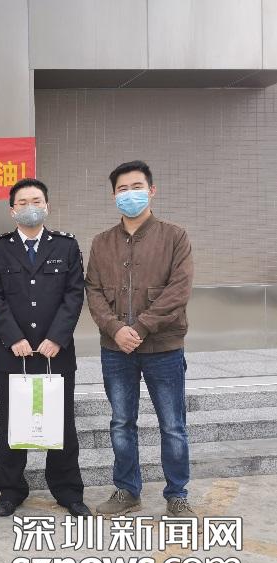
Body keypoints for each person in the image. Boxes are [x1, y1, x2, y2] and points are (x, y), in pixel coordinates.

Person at [85, 160, 195, 519]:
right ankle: (127, 491)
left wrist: (142, 327)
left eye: (137, 187)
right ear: (113, 196)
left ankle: (177, 494)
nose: (129, 194)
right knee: (121, 422)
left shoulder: (175, 236)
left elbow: (179, 290)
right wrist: (115, 329)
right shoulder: (101, 242)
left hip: (164, 347)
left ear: (152, 190)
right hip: (115, 349)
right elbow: (93, 291)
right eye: (122, 189)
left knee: (173, 425)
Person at [0, 178, 91, 519]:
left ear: (47, 206)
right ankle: (11, 490)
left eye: (37, 201)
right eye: (23, 202)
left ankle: (68, 490)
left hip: (56, 352)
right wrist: (14, 337)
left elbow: (74, 294)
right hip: (11, 352)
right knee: (11, 424)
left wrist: (57, 337)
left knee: (62, 425)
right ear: (12, 210)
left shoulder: (66, 246)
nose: (30, 207)